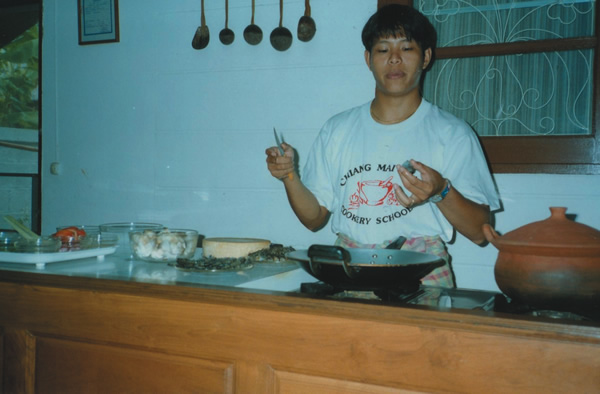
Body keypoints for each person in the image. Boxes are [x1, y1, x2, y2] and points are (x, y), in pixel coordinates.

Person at [265, 4, 500, 288]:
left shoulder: (453, 134)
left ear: (426, 57)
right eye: (383, 49)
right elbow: (314, 219)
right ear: (368, 58)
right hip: (350, 268)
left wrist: (441, 191)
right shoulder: (337, 130)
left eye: (407, 48)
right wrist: (289, 175)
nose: (395, 59)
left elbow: (479, 232)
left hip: (421, 272)